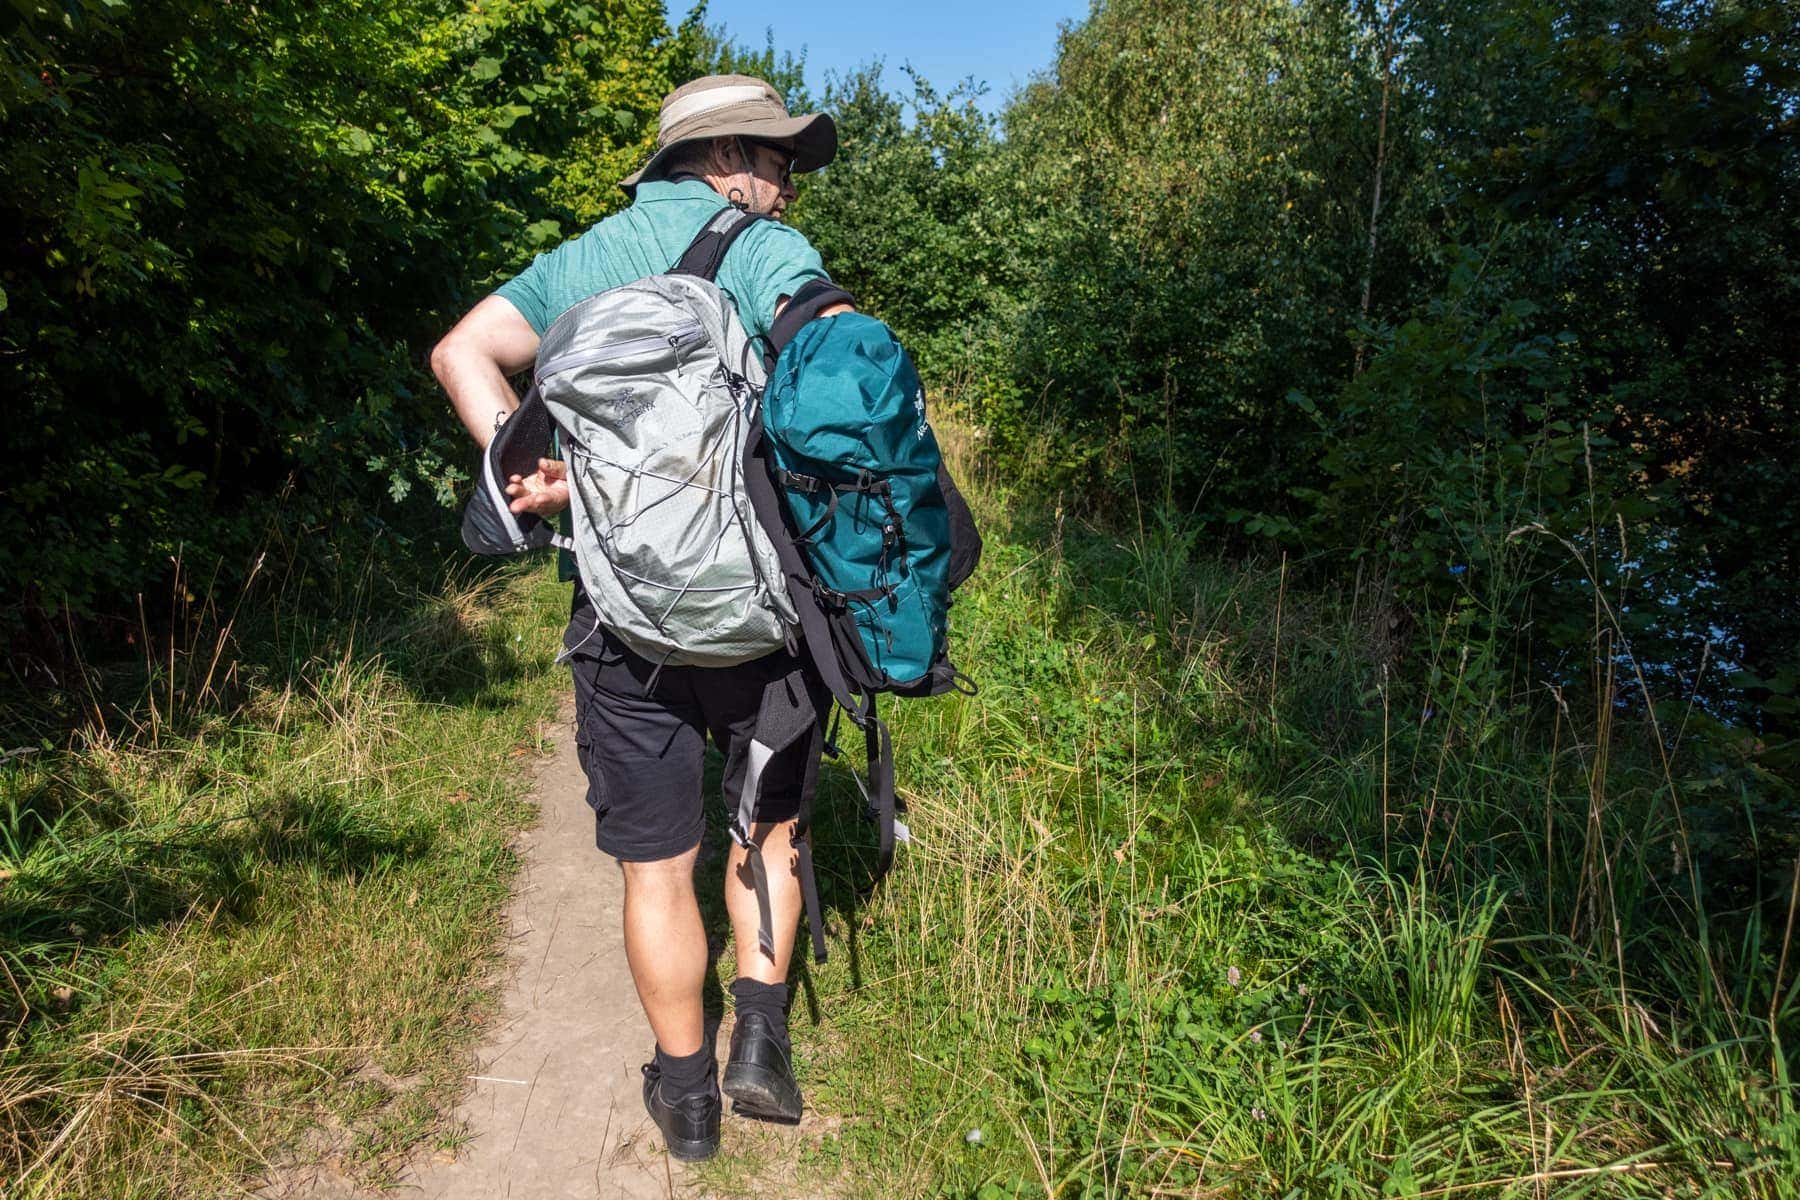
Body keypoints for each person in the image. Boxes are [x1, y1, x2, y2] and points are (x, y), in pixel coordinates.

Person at [430, 74, 853, 1162]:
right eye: (781, 162)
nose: (789, 187)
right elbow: (838, 355)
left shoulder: (584, 260)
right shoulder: (763, 249)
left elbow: (459, 351)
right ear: (731, 161)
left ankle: (687, 1097)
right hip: (765, 614)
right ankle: (760, 1046)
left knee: (656, 866)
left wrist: (541, 466)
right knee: (769, 832)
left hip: (621, 618)